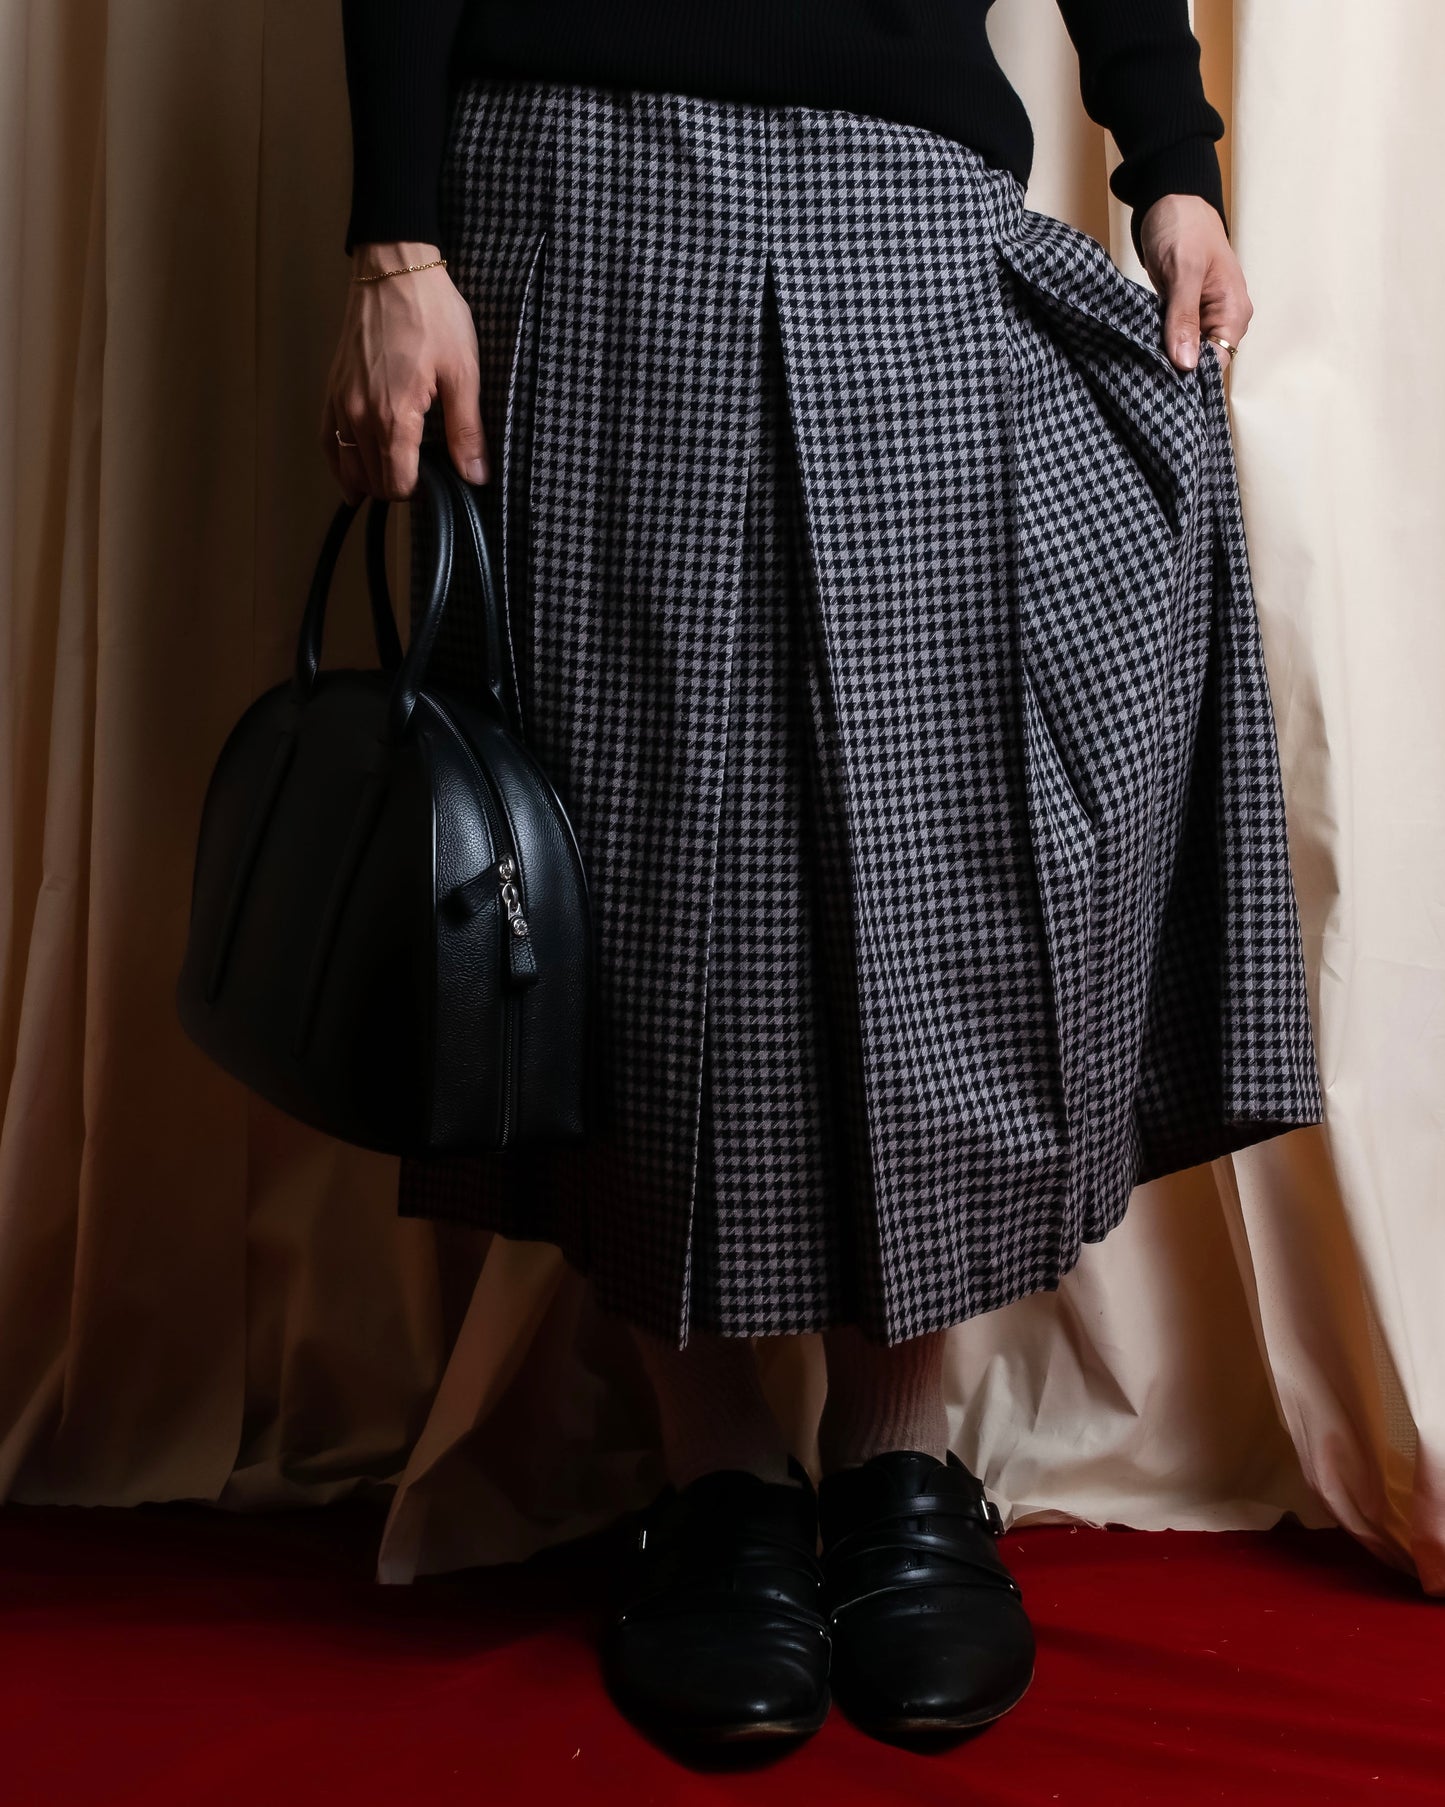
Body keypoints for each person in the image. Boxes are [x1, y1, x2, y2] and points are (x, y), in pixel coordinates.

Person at [323, 0, 1324, 1752]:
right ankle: (713, 1478)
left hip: (906, 189)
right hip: (584, 152)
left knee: (925, 849)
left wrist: (1168, 160)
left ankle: (892, 1461)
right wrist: (396, 242)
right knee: (632, 854)